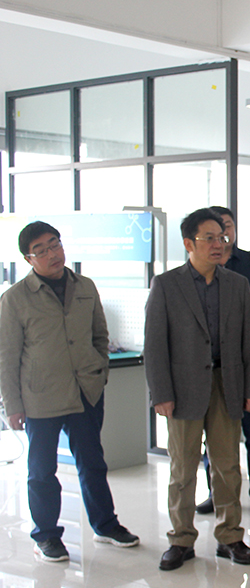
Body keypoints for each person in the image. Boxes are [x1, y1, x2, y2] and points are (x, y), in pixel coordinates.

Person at [0, 222, 139, 563]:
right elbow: (6, 356)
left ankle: (105, 525)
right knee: (42, 472)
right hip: (40, 398)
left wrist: (98, 373)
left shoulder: (85, 286)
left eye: (55, 244)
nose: (52, 254)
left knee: (93, 464)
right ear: (28, 259)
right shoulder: (15, 298)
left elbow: (100, 336)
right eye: (42, 250)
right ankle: (46, 535)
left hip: (85, 393)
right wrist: (12, 405)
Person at [145, 208, 250, 571]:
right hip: (182, 389)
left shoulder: (237, 284)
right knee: (182, 469)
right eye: (208, 238)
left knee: (228, 466)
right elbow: (155, 344)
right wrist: (160, 392)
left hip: (227, 384)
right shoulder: (167, 284)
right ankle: (181, 539)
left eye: (221, 237)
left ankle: (230, 536)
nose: (218, 244)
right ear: (188, 244)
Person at [192, 206, 250, 518]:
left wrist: (248, 331)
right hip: (211, 365)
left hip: (248, 361)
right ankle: (215, 492)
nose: (222, 236)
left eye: (226, 228)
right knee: (213, 435)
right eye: (214, 232)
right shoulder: (198, 269)